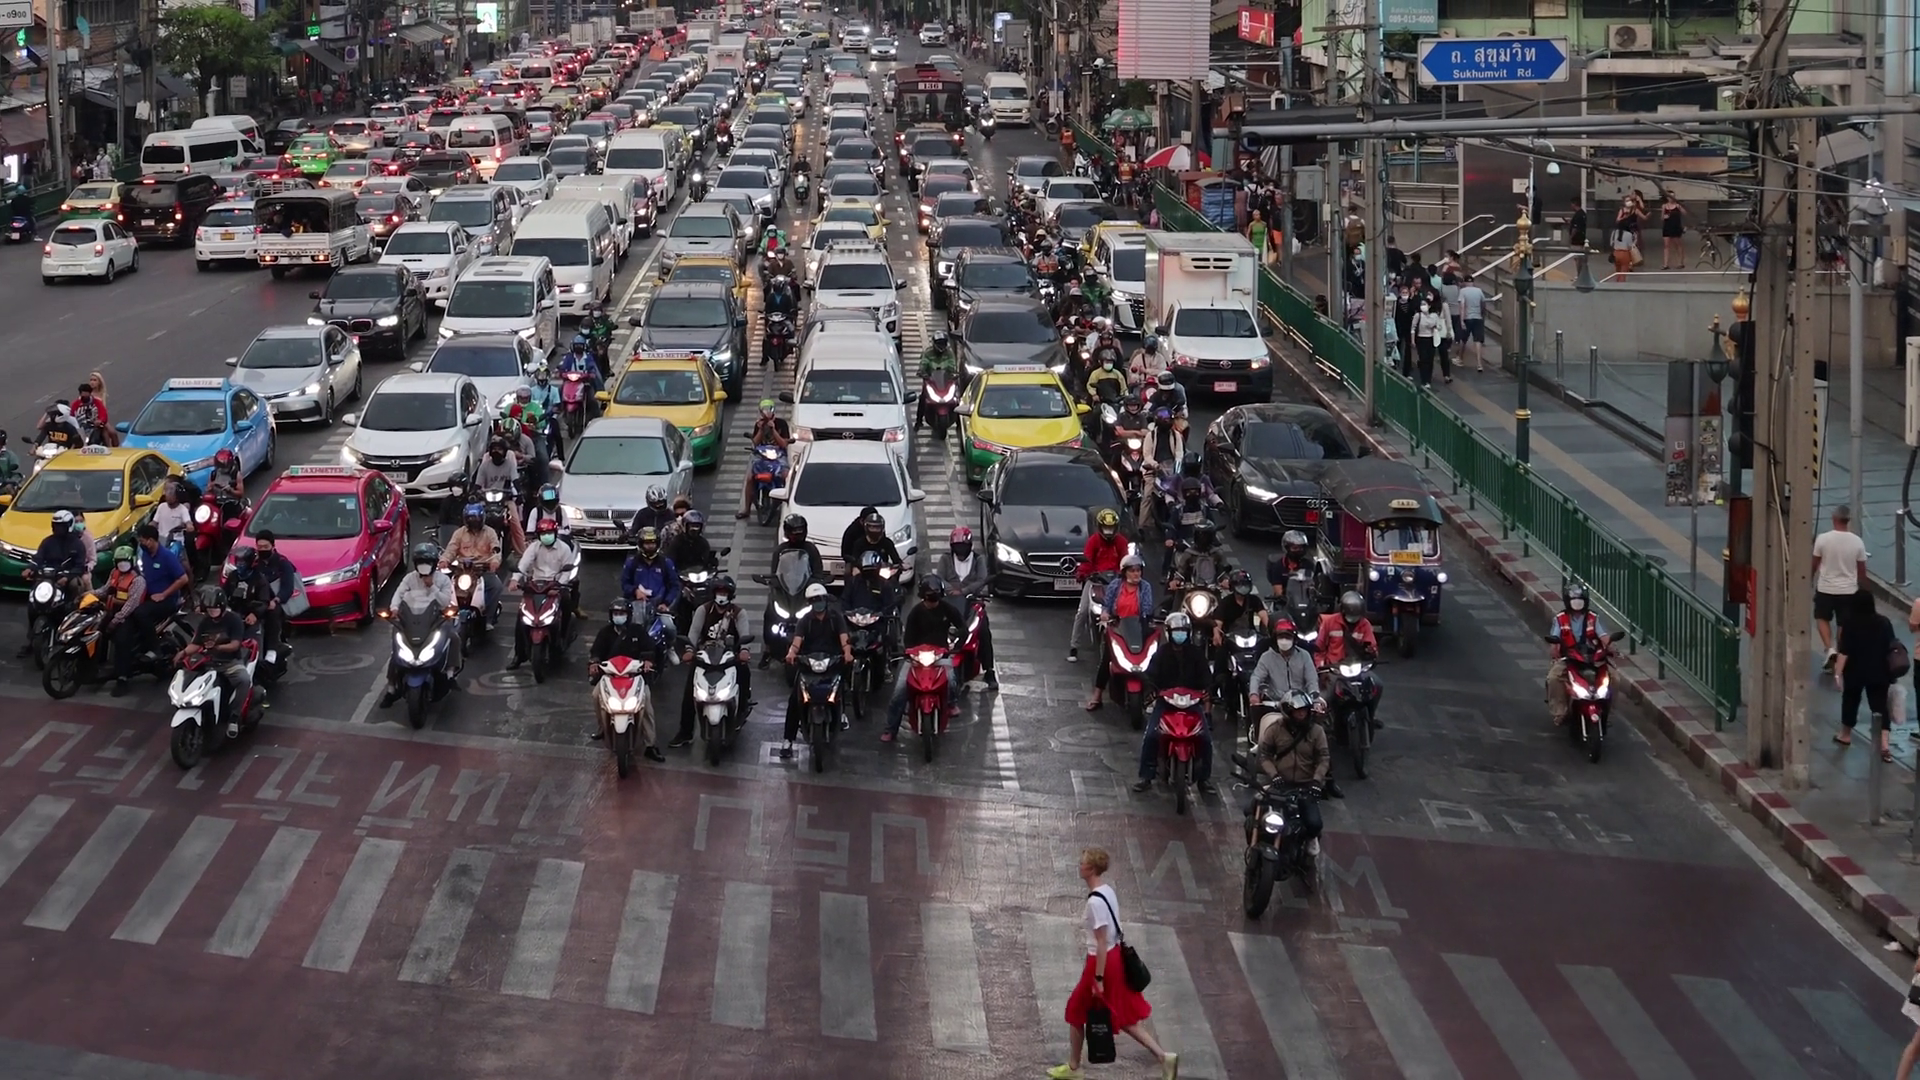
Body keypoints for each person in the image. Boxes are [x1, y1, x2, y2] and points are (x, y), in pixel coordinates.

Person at [1046, 846, 1176, 1080]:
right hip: (1113, 958)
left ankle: (1074, 1068)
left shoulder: (1094, 903)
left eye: (1083, 863)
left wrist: (1098, 979)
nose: (1079, 866)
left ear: (1091, 868)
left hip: (1101, 962)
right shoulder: (1107, 892)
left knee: (1075, 1010)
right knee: (1123, 1016)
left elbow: (1101, 941)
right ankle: (1163, 1057)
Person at [1132, 610, 1216, 795]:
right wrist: (1151, 689)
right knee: (1151, 736)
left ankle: (1204, 779)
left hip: (1192, 704)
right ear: (1169, 632)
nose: (1180, 635)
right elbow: (1150, 675)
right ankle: (1146, 776)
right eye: (1177, 631)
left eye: (1183, 631)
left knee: (1205, 738)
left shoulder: (1196, 654)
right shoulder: (1161, 653)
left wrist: (1208, 690)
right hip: (1166, 703)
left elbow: (1206, 677)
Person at [671, 574, 754, 749]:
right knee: (689, 691)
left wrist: (744, 651)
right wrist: (689, 650)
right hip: (705, 658)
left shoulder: (739, 613)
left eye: (725, 592)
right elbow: (693, 634)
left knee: (744, 672)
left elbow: (744, 634)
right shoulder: (703, 610)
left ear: (730, 595)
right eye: (719, 592)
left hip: (729, 658)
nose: (721, 595)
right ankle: (685, 732)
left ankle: (742, 709)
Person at [885, 576, 968, 742]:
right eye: (929, 600)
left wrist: (956, 643)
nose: (932, 603)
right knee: (899, 692)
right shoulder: (915, 613)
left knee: (951, 680)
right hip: (916, 657)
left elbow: (962, 628)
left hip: (940, 654)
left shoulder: (948, 609)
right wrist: (910, 653)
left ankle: (951, 703)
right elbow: (908, 639)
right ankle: (891, 729)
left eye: (935, 600)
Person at [377, 543, 461, 708]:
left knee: (454, 637)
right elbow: (399, 593)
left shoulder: (443, 580)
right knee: (397, 648)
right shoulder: (410, 578)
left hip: (436, 621)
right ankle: (391, 688)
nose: (424, 566)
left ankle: (450, 674)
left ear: (434, 564)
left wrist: (432, 587)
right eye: (421, 562)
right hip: (412, 621)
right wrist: (394, 609)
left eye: (427, 562)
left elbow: (445, 602)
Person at [114, 523, 191, 695]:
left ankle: (154, 647)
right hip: (147, 599)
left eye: (142, 540)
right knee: (123, 631)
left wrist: (164, 594)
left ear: (151, 540)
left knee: (140, 613)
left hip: (166, 601)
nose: (141, 543)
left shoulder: (167, 556)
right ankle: (122, 677)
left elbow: (183, 579)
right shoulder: (144, 555)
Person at [781, 582, 854, 759]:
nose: (817, 603)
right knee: (795, 699)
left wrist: (847, 652)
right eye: (814, 600)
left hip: (832, 661)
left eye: (819, 599)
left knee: (842, 683)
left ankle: (842, 713)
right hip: (808, 663)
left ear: (825, 600)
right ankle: (788, 740)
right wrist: (791, 653)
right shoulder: (805, 621)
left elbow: (844, 638)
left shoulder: (836, 618)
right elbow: (797, 641)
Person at [588, 597, 666, 762]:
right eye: (616, 613)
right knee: (596, 696)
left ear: (628, 615)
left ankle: (651, 744)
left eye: (622, 613)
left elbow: (650, 648)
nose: (619, 616)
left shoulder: (638, 631)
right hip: (610, 675)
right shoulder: (605, 632)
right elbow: (596, 651)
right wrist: (594, 662)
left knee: (646, 703)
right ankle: (602, 728)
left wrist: (648, 661)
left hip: (634, 676)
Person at [178, 584, 257, 739]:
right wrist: (183, 652)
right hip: (208, 662)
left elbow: (235, 645)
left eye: (215, 608)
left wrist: (217, 647)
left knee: (244, 680)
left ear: (222, 606)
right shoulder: (205, 622)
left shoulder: (234, 620)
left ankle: (234, 718)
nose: (212, 612)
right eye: (209, 609)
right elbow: (196, 644)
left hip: (229, 663)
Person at [1255, 690, 1328, 852]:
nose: (1302, 714)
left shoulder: (1317, 732)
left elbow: (1323, 759)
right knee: (1251, 810)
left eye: (1304, 710)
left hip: (1306, 787)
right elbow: (1265, 756)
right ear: (1288, 712)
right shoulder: (1274, 730)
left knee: (1314, 824)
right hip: (1280, 785)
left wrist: (1316, 781)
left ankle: (1309, 841)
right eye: (1298, 711)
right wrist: (1274, 775)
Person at [1834, 591, 1899, 761]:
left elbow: (1844, 651)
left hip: (1855, 671)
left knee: (1850, 700)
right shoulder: (1884, 622)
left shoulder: (1850, 624)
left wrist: (1837, 673)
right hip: (1879, 671)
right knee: (1880, 707)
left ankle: (1845, 734)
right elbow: (1891, 645)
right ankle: (1884, 744)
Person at [507, 517, 577, 669]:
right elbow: (523, 564)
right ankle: (519, 655)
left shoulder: (564, 549)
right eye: (543, 534)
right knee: (521, 618)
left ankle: (563, 636)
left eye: (549, 533)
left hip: (556, 585)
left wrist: (559, 585)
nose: (546, 536)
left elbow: (567, 571)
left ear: (555, 533)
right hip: (535, 585)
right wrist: (515, 579)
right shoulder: (534, 547)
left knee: (566, 602)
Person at [1088, 553, 1154, 710]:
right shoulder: (1115, 585)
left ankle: (1154, 695)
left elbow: (1147, 608)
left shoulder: (1145, 587)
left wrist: (1146, 618)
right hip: (1118, 628)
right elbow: (1107, 605)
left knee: (1152, 657)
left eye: (1138, 570)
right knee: (1107, 659)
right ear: (1125, 572)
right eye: (1132, 571)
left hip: (1138, 629)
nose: (1136, 574)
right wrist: (1105, 613)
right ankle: (1097, 695)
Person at [935, 526, 996, 687]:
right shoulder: (945, 559)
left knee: (983, 630)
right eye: (957, 547)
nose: (960, 551)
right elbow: (939, 578)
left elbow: (982, 580)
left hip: (972, 602)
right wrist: (950, 590)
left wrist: (964, 591)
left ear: (970, 546)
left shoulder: (979, 559)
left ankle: (989, 671)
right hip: (949, 602)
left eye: (963, 547)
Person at [1069, 508, 1129, 663]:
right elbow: (1087, 560)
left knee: (1127, 609)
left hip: (1116, 582)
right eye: (1106, 528)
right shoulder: (1093, 541)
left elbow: (1126, 561)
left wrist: (1125, 574)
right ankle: (1074, 647)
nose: (1109, 531)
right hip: (1095, 580)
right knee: (1082, 612)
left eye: (1111, 528)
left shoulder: (1121, 542)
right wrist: (1082, 573)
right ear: (1100, 527)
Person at [1814, 504, 1868, 671]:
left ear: (1834, 519)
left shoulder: (1822, 539)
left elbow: (1815, 562)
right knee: (1843, 623)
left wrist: (1808, 577)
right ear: (1848, 520)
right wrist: (1864, 589)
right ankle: (1840, 653)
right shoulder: (1857, 542)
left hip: (1825, 587)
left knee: (1822, 618)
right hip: (1848, 590)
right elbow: (1862, 571)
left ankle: (1829, 648)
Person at [1544, 582, 1608, 724]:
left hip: (1592, 658)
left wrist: (1611, 648)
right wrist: (1554, 650)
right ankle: (1559, 712)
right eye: (1574, 600)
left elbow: (1604, 636)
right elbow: (1554, 640)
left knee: (1614, 678)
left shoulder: (1593, 617)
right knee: (1553, 678)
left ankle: (1606, 712)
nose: (1577, 604)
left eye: (1580, 600)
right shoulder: (1560, 618)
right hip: (1568, 658)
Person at [231, 531, 300, 655]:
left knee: (272, 614)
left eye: (265, 547)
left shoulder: (283, 563)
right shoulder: (255, 564)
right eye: (260, 547)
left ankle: (272, 648)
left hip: (275, 601)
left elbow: (287, 587)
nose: (262, 550)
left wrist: (276, 600)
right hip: (258, 599)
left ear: (273, 546)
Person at [438, 502, 504, 627]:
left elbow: (496, 550)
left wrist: (494, 562)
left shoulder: (490, 532)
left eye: (475, 518)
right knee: (443, 586)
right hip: (462, 570)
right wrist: (444, 561)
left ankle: (488, 618)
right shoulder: (459, 533)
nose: (473, 521)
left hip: (482, 569)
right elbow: (451, 549)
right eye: (470, 518)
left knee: (497, 586)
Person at [1316, 591, 1379, 695]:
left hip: (1357, 668)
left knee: (1377, 685)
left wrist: (1371, 651)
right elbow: (1319, 649)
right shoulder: (1329, 622)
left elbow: (1373, 647)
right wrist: (1321, 669)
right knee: (1327, 694)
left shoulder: (1365, 624)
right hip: (1334, 669)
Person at [738, 401, 792, 518]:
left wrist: (773, 429)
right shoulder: (759, 425)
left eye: (769, 410)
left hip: (778, 455)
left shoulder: (781, 424)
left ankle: (790, 506)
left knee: (787, 476)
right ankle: (746, 509)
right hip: (761, 455)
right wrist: (761, 429)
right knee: (750, 478)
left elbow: (783, 443)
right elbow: (755, 443)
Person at [619, 525, 681, 620]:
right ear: (641, 544)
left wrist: (666, 603)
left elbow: (675, 586)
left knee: (669, 626)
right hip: (636, 606)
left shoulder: (666, 563)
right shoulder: (631, 562)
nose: (650, 546)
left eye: (653, 543)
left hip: (660, 607)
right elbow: (625, 584)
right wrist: (635, 591)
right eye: (647, 543)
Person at [1454, 278, 1496, 373]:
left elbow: (1462, 306)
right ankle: (1479, 364)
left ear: (1465, 282)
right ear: (1472, 282)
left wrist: (1461, 321)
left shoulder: (1463, 291)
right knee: (1478, 341)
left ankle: (1460, 358)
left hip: (1467, 318)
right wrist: (1482, 314)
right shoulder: (1479, 291)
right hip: (1478, 318)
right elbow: (1483, 304)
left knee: (1463, 339)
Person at [1659, 192, 1687, 269]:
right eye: (1670, 196)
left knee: (1678, 245)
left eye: (1673, 196)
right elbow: (1661, 218)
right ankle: (1665, 264)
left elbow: (1685, 213)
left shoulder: (1677, 206)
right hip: (1667, 227)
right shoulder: (1664, 206)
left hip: (1676, 227)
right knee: (1666, 245)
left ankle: (1680, 262)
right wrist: (1665, 217)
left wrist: (1681, 206)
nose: (1671, 198)